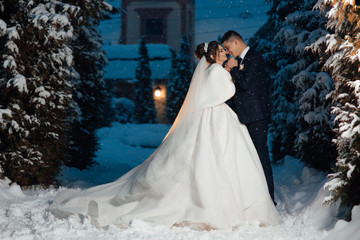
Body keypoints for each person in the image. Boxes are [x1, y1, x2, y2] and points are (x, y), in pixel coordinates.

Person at [50, 41, 278, 230]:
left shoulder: (211, 71)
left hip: (216, 118)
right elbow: (226, 92)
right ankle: (225, 205)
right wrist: (230, 73)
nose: (225, 53)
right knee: (220, 160)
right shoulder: (217, 71)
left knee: (212, 159)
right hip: (217, 118)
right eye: (221, 52)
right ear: (213, 56)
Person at [221, 30, 275, 204]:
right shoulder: (243, 60)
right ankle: (257, 198)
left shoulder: (255, 58)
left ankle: (269, 198)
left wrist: (234, 69)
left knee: (261, 157)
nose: (228, 52)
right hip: (246, 116)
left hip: (256, 116)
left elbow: (245, 84)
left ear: (236, 41)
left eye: (228, 48)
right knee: (250, 158)